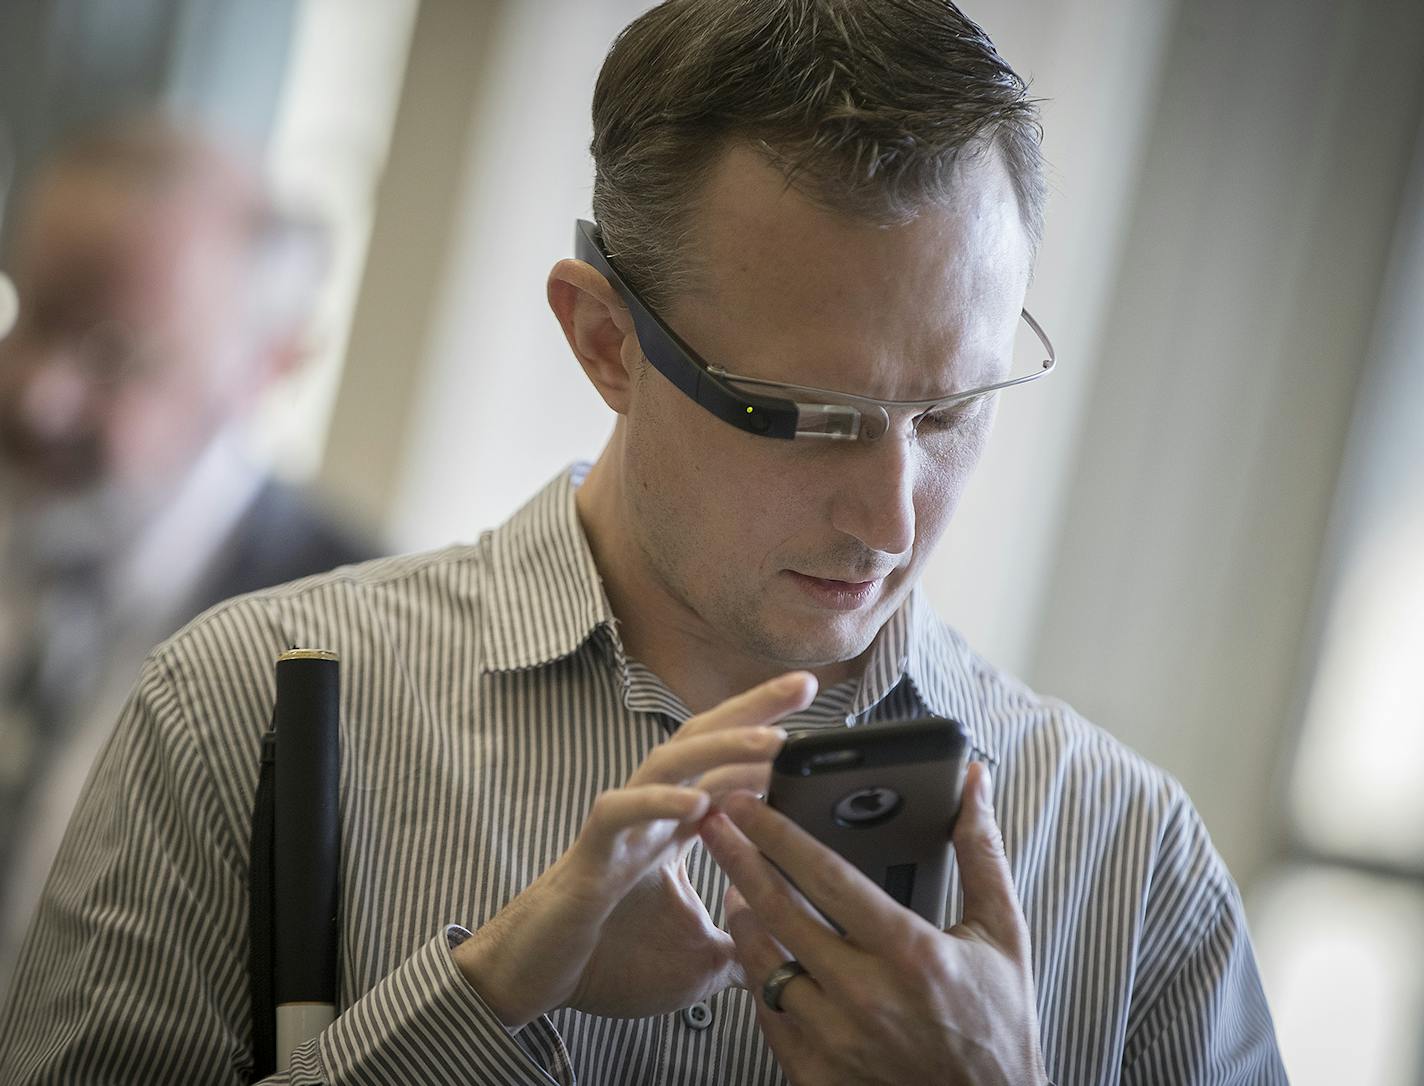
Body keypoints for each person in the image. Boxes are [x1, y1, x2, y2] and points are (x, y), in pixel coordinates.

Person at [0, 3, 1288, 1083]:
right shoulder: (234, 715)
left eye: (953, 409)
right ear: (604, 341)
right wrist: (482, 1002)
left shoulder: (1134, 861)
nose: (892, 518)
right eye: (801, 418)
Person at [0, 117, 379, 986]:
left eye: (114, 356)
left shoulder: (350, 639)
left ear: (270, 366)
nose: (37, 396)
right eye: (27, 314)